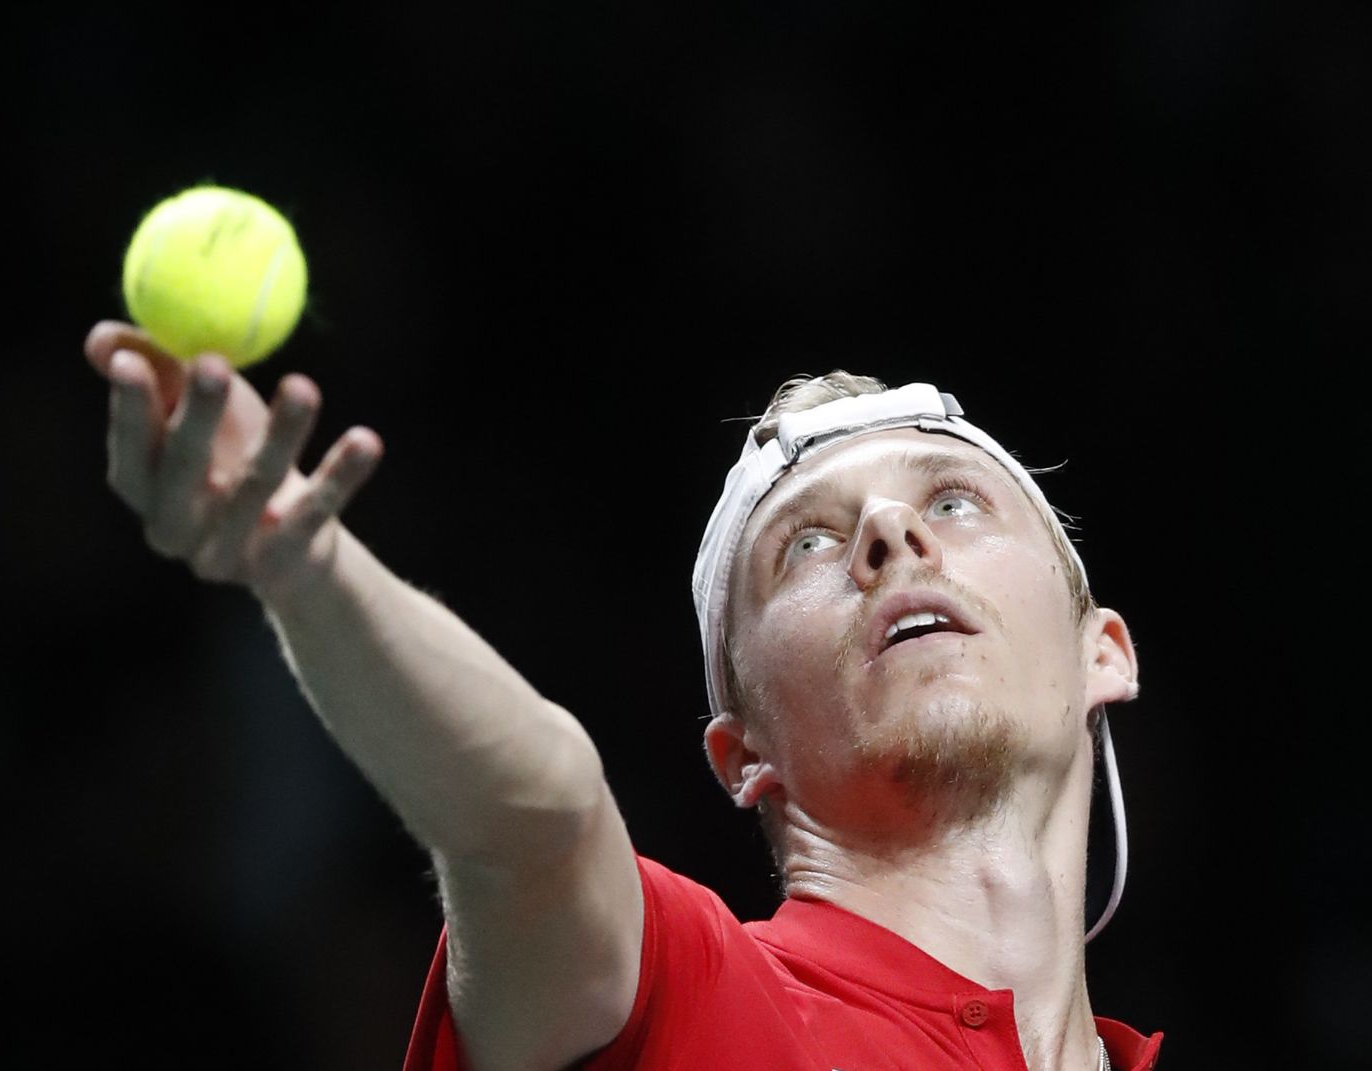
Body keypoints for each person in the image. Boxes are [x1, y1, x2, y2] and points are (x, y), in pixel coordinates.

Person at [84, 322, 1163, 1071]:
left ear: (1101, 653)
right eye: (806, 545)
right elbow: (533, 824)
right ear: (742, 757)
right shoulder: (684, 1001)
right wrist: (303, 566)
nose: (890, 536)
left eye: (956, 500)